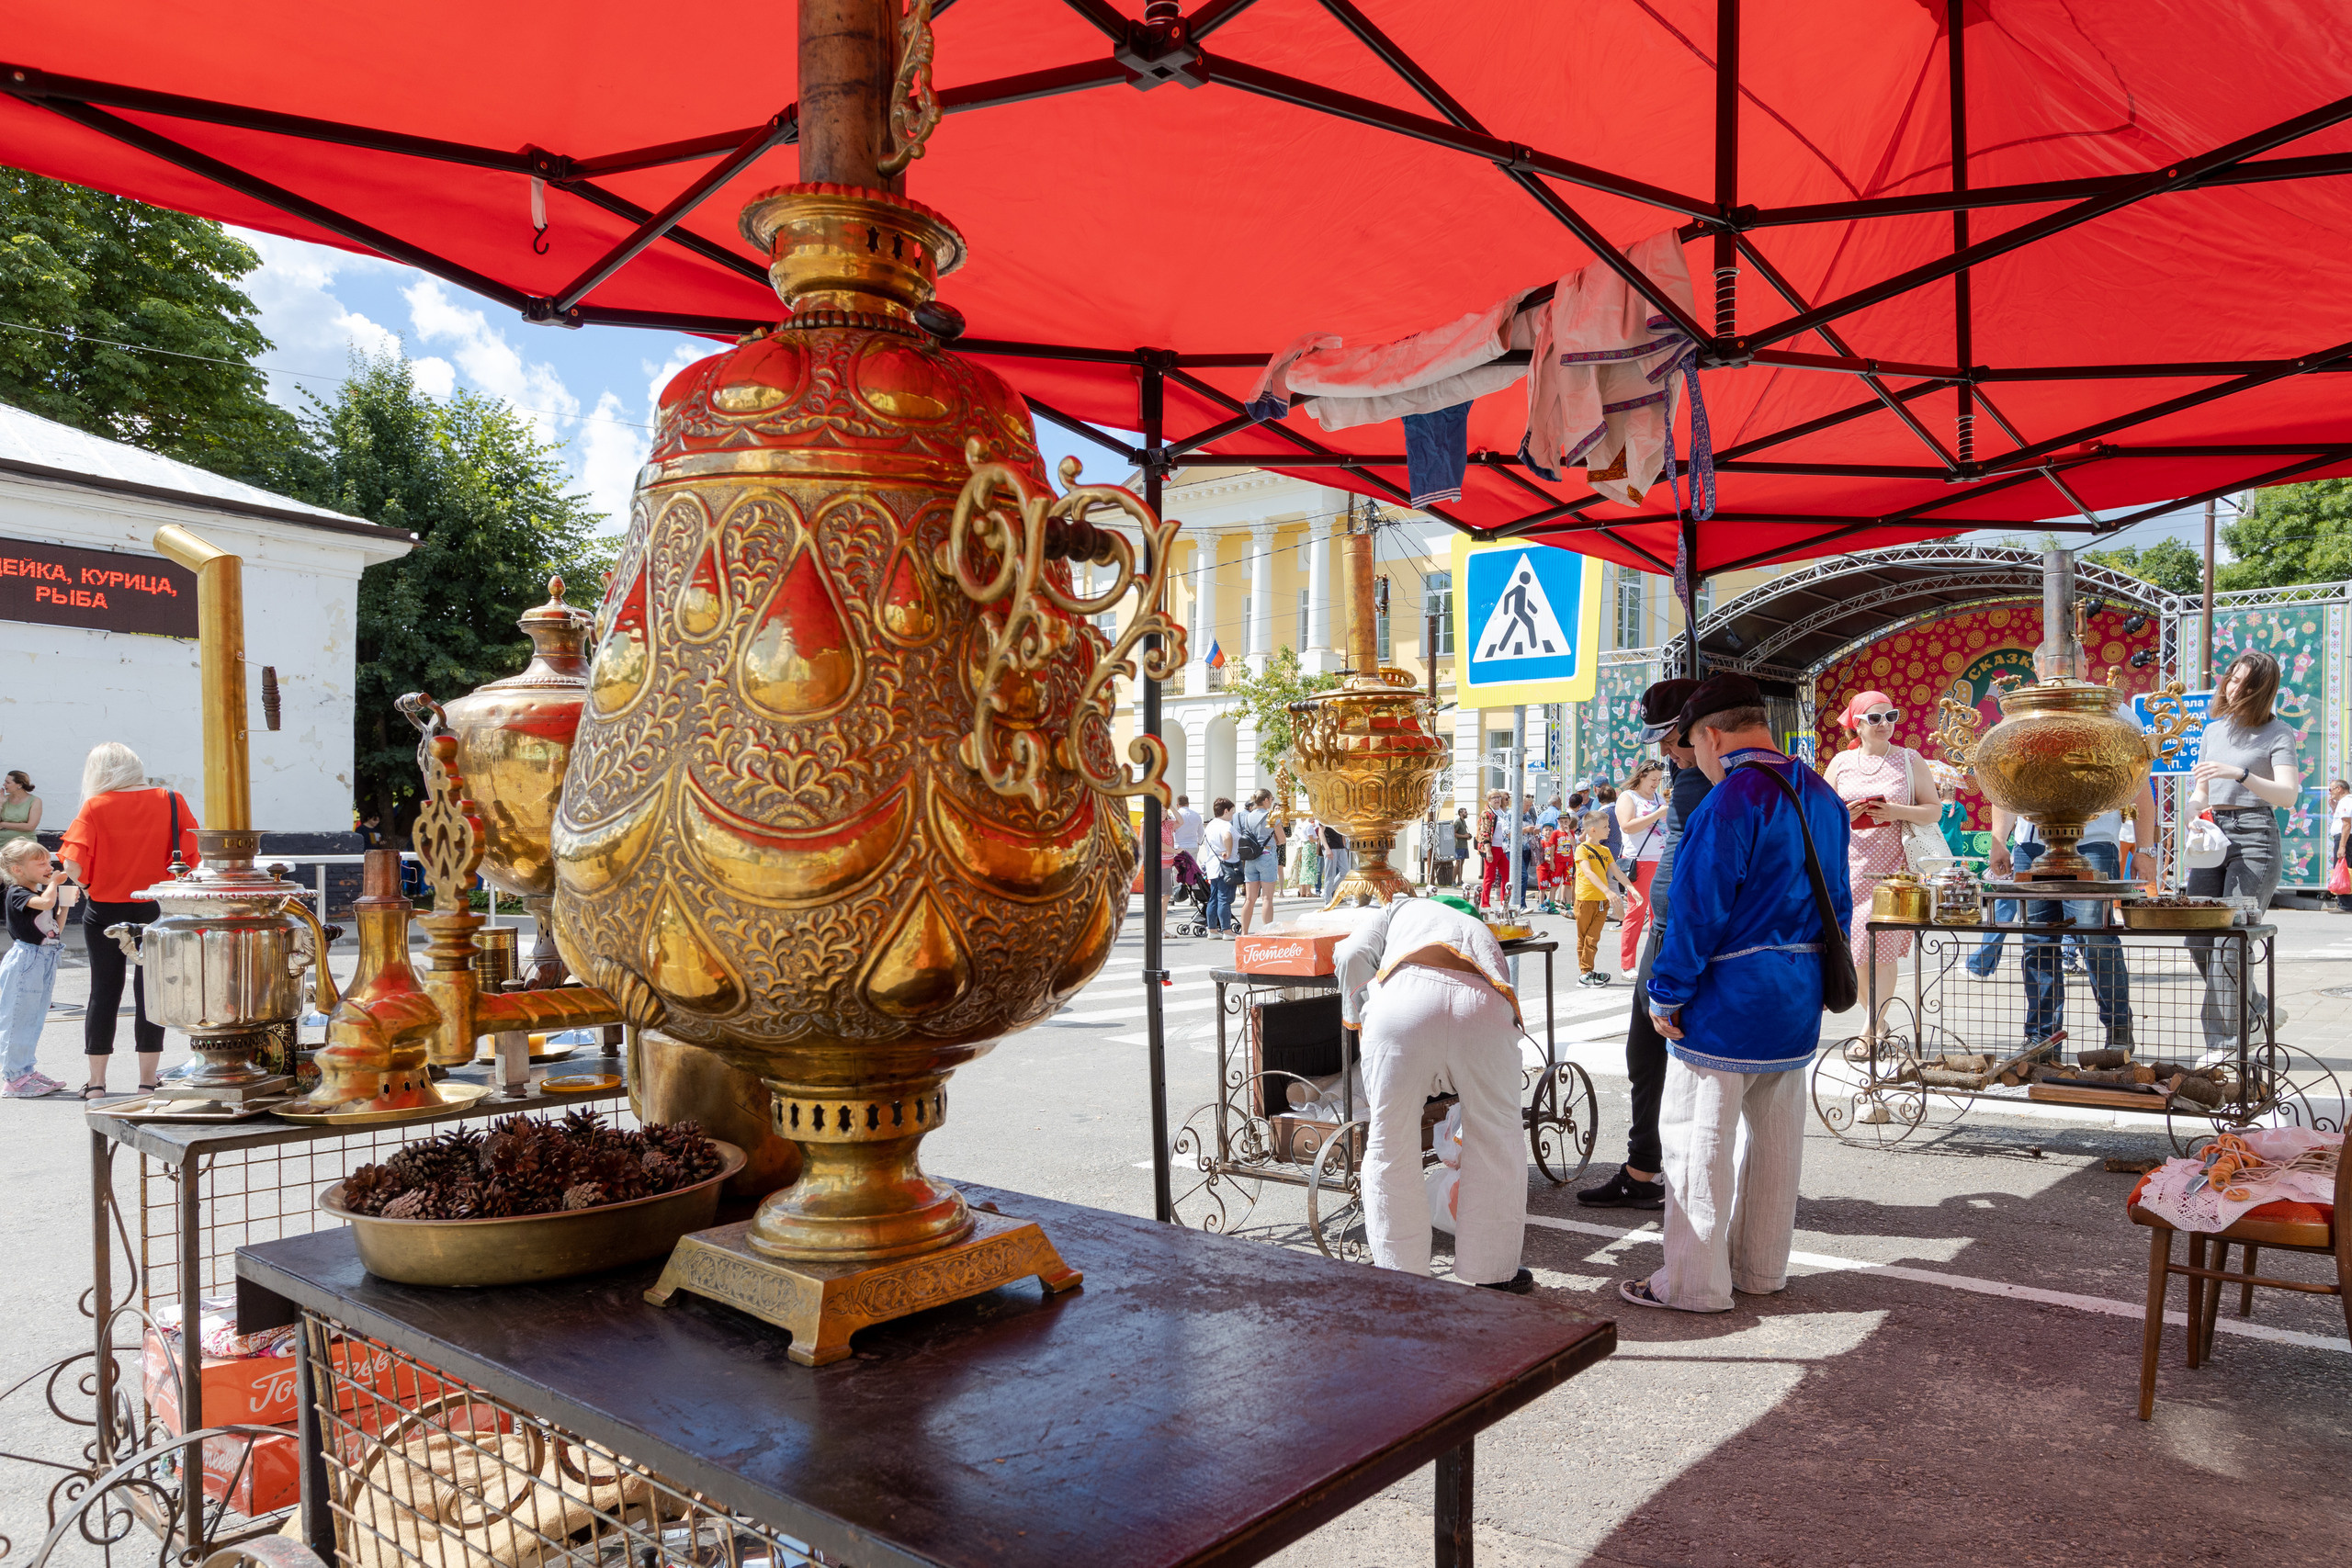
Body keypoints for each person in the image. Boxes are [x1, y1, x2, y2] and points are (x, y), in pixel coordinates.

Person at [1622, 673, 1851, 1313]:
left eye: (1692, 745)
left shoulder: (1729, 800)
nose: (1694, 757)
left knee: (1698, 1142)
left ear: (1712, 736)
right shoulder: (1822, 794)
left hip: (1728, 999)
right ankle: (1760, 1269)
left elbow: (1697, 910)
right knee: (1776, 1144)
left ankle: (1693, 1283)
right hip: (1797, 996)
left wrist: (1667, 991)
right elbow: (1839, 905)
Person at [1335, 894, 1531, 1292]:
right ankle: (1493, 1275)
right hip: (1482, 1005)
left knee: (1390, 1144)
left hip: (1403, 1006)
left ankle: (1401, 1277)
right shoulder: (1477, 928)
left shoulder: (1398, 907)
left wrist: (1360, 1019)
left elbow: (1351, 954)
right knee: (1496, 1139)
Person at [1581, 677, 1703, 1209]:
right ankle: (1647, 1167)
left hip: (1680, 937)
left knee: (1658, 1055)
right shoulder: (1689, 776)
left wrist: (1669, 966)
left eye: (1670, 739)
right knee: (1649, 1054)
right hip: (1674, 933)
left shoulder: (1698, 783)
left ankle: (1653, 1170)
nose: (1665, 751)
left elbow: (1685, 879)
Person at [59, 742, 200, 1099]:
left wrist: (88, 887)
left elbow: (71, 864)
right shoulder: (171, 800)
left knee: (103, 991)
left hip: (105, 907)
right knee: (151, 991)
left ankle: (96, 1083)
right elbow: (193, 856)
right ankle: (147, 1082)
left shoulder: (96, 805)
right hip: (156, 905)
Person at [1978, 784, 2155, 1057]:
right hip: (2031, 844)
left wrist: (2144, 849)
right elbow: (2005, 785)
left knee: (2096, 941)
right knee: (2037, 943)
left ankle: (2119, 1031)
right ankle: (2041, 1039)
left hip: (2093, 841)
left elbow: (2139, 784)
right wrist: (1999, 840)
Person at [2186, 649, 2301, 1050]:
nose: (2234, 688)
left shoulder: (2278, 732)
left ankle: (2224, 1047)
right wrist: (2193, 810)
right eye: (2232, 678)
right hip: (2213, 836)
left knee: (2230, 940)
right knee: (2198, 937)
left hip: (2256, 838)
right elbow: (2201, 791)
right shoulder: (2213, 730)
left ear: (2262, 690)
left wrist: (2241, 773)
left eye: (2244, 683)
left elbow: (2287, 795)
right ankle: (2255, 1006)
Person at [1822, 690, 1939, 1054]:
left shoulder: (1909, 759)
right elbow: (1821, 814)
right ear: (1857, 724)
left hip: (1894, 871)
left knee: (1882, 951)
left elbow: (1933, 810)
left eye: (1891, 716)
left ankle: (1871, 1030)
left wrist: (1896, 812)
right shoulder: (1841, 762)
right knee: (1853, 953)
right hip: (1848, 868)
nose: (1885, 724)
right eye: (1875, 718)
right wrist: (1846, 814)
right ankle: (1879, 1021)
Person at [0, 839, 72, 1097]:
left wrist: (65, 905)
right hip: (27, 960)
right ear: (17, 870)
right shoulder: (18, 893)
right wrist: (54, 884)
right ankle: (14, 1078)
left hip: (45, 957)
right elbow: (44, 904)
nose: (49, 867)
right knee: (18, 1017)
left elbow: (55, 929)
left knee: (34, 1017)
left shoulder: (40, 894)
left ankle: (26, 1070)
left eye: (48, 862)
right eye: (40, 863)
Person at [1573, 809, 1642, 985]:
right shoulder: (1582, 849)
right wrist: (1607, 891)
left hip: (1602, 902)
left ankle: (1588, 972)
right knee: (1585, 937)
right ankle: (1585, 973)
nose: (1609, 829)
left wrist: (1631, 888)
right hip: (1585, 899)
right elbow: (1588, 872)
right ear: (1593, 830)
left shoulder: (1605, 850)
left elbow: (1617, 872)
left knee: (1593, 937)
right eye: (1605, 827)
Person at [1615, 762, 1668, 969]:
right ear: (1641, 776)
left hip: (1662, 860)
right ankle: (1627, 964)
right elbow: (1627, 826)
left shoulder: (1659, 798)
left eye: (1659, 779)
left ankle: (1654, 963)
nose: (1656, 783)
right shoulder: (1628, 797)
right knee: (1636, 912)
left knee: (1659, 914)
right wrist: (1656, 814)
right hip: (1640, 861)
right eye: (1653, 779)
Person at [1234, 788, 1285, 933]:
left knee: (1249, 899)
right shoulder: (1271, 816)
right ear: (1266, 800)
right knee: (1267, 898)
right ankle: (1267, 932)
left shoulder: (1247, 816)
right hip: (1267, 854)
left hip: (1251, 857)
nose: (1272, 802)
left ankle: (1244, 933)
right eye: (1271, 799)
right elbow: (1282, 839)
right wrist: (1273, 840)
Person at [1200, 797, 1238, 935]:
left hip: (1213, 865)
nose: (1232, 814)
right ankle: (1226, 930)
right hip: (1225, 865)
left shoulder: (1210, 825)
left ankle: (1212, 929)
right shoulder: (1225, 825)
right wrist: (1228, 851)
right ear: (1226, 811)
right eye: (1232, 811)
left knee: (1214, 898)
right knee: (1224, 898)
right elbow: (1227, 836)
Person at [1476, 790, 1510, 910]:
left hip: (1504, 847)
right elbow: (1484, 832)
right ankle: (1485, 903)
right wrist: (1488, 850)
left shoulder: (1503, 812)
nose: (1496, 800)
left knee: (1506, 876)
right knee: (1489, 877)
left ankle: (1504, 902)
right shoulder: (1487, 813)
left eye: (1498, 797)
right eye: (1493, 798)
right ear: (1489, 800)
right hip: (1492, 848)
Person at [1931, 763, 1972, 858]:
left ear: (1941, 792)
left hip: (1940, 842)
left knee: (1941, 866)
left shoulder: (1937, 807)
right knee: (1956, 866)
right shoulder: (1960, 807)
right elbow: (1960, 825)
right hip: (1956, 842)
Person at [0, 771, 43, 852]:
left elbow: (31, 826)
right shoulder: (2, 799)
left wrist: (3, 824)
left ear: (19, 785)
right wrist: (0, 804)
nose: (4, 784)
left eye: (8, 782)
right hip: (2, 845)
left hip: (24, 846)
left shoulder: (35, 801)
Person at [2326, 778, 2350, 913]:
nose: (2330, 792)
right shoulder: (2343, 802)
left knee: (2344, 870)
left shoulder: (2346, 801)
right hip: (2344, 838)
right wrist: (2334, 808)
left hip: (2345, 838)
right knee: (2345, 869)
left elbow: (2346, 824)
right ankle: (2345, 903)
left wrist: (2342, 846)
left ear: (2339, 789)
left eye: (2331, 789)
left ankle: (2345, 905)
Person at [1319, 819, 1352, 900]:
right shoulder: (1325, 816)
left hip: (1340, 846)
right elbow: (1320, 832)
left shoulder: (1339, 817)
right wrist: (1327, 848)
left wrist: (1344, 845)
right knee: (1330, 875)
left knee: (1345, 872)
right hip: (1330, 846)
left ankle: (1327, 892)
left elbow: (1342, 832)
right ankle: (1328, 901)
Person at [1170, 794, 1203, 863]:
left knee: (1178, 868)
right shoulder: (1197, 815)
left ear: (1177, 805)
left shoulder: (1174, 815)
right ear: (1188, 804)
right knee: (1192, 868)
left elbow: (1170, 831)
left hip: (1178, 846)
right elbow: (1201, 832)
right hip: (1192, 845)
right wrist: (1198, 843)